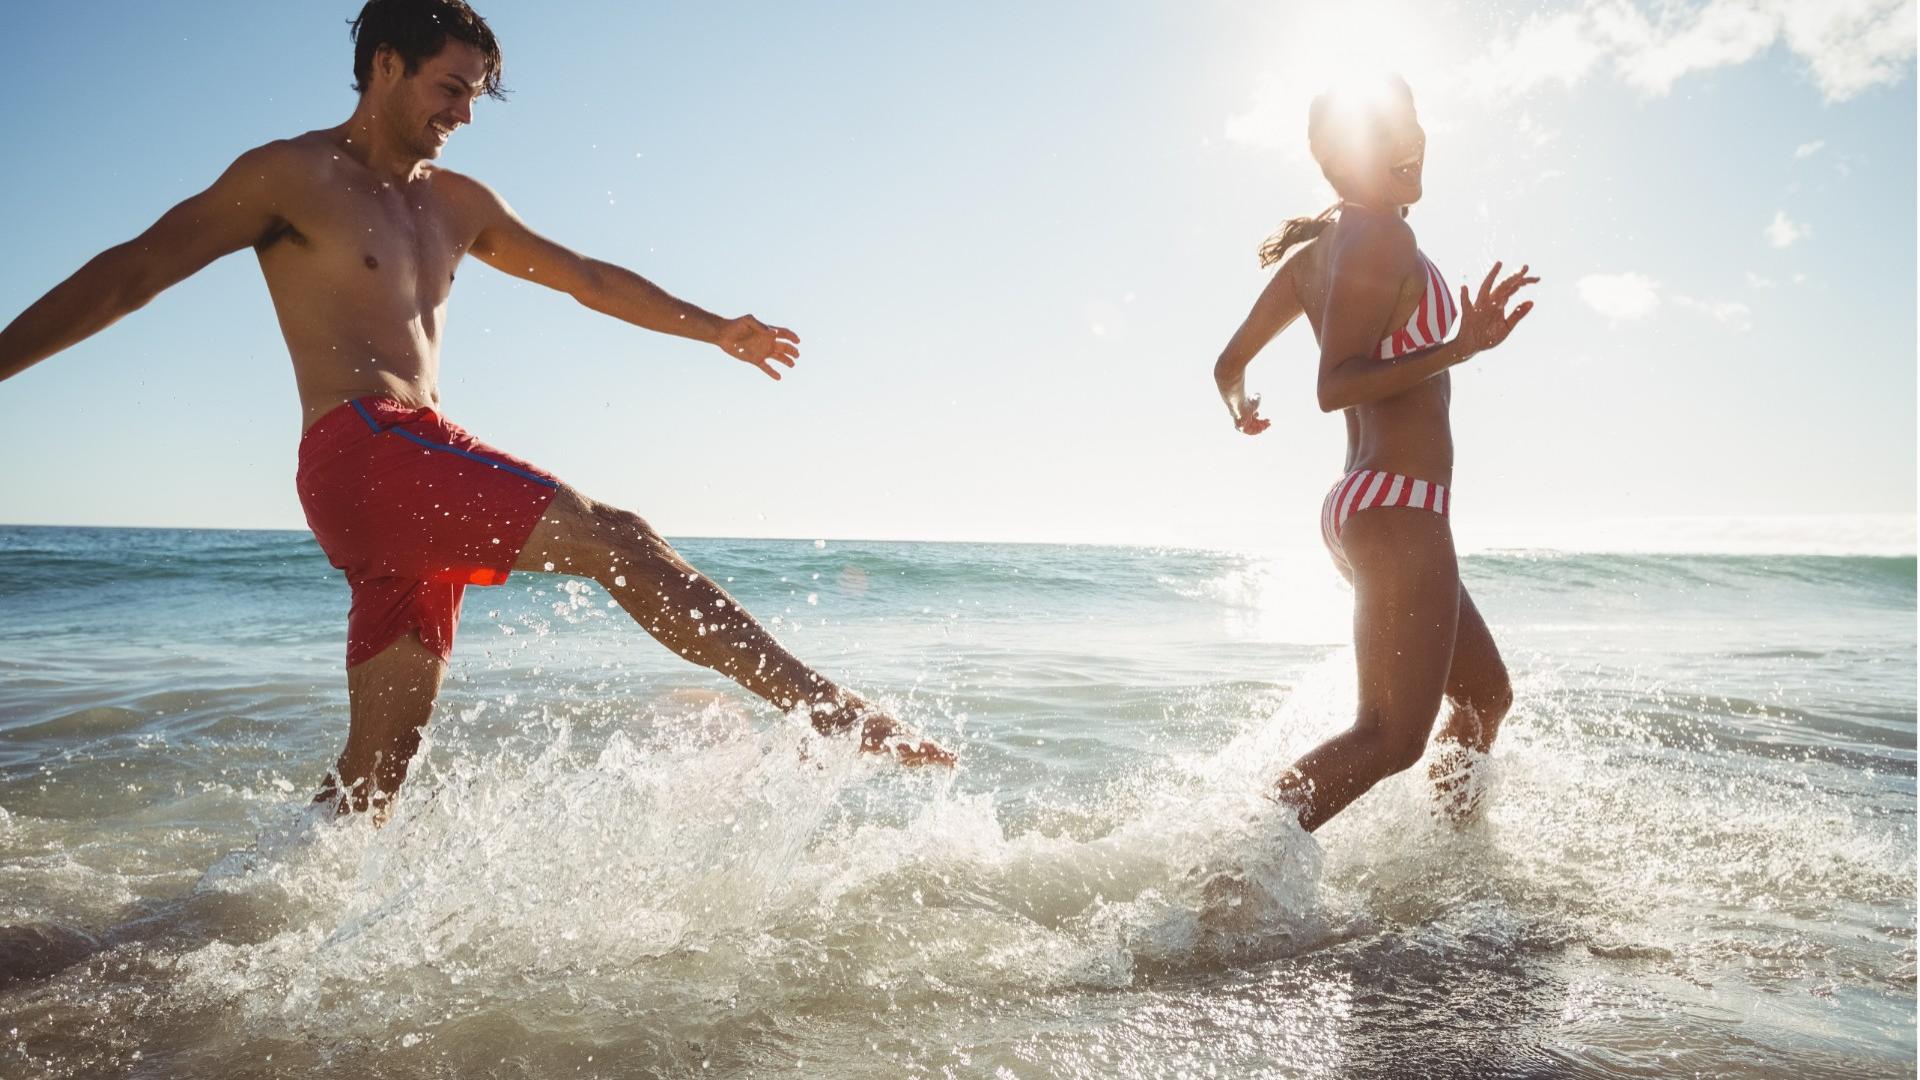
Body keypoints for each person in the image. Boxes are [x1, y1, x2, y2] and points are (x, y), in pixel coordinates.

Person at [0, 0, 952, 819]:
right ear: (384, 65)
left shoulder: (456, 201)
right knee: (619, 539)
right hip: (363, 445)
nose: (462, 113)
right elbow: (135, 270)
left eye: (472, 96)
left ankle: (219, 928)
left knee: (375, 781)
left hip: (418, 464)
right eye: (449, 88)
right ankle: (829, 710)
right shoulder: (290, 177)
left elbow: (583, 277)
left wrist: (716, 331)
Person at [1211, 75, 1536, 832]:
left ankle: (1452, 859)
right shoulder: (1382, 236)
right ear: (1339, 161)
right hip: (1397, 502)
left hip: (1366, 504)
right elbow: (1337, 384)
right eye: (1383, 132)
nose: (1409, 142)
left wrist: (1242, 412)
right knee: (1389, 737)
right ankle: (1234, 862)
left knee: (1484, 696)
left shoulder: (1318, 254)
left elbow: (1228, 367)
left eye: (1412, 124)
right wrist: (1459, 346)